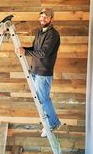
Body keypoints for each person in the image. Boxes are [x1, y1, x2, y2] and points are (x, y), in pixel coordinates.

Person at [16, 8, 61, 136]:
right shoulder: (39, 32)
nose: (42, 19)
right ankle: (47, 123)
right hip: (35, 70)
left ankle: (53, 123)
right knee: (40, 99)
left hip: (43, 72)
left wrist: (26, 52)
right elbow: (35, 49)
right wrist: (23, 49)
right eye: (41, 16)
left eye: (46, 17)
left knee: (44, 99)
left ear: (52, 19)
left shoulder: (53, 35)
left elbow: (44, 53)